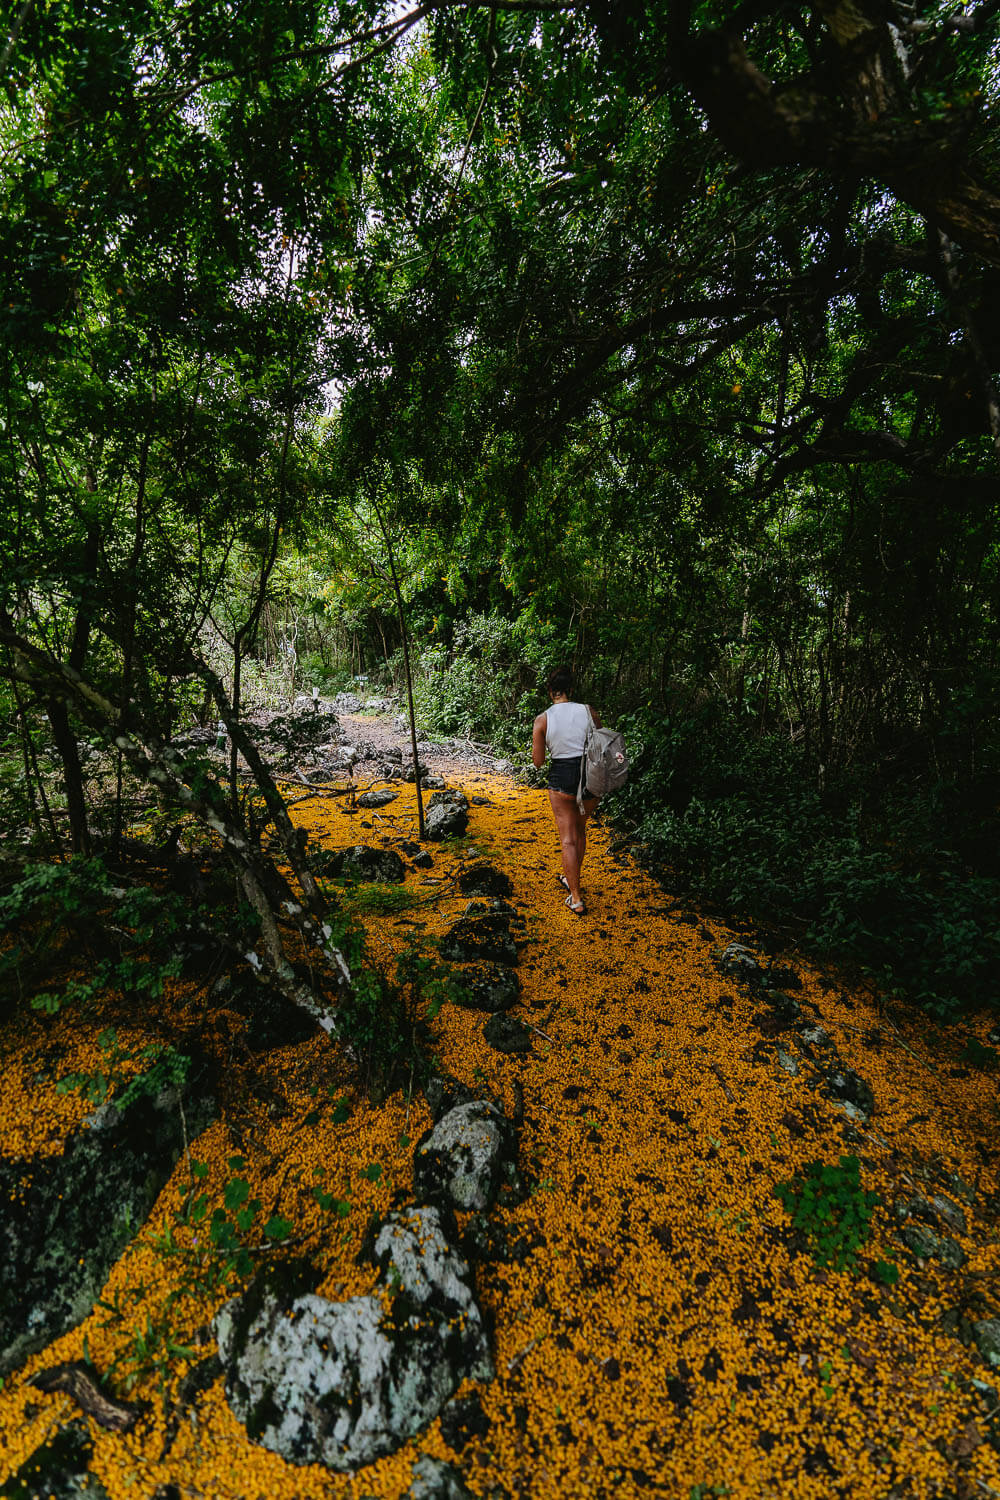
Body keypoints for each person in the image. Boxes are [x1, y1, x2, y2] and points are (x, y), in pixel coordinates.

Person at [532, 666, 601, 916]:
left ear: (550, 691)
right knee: (580, 832)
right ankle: (572, 879)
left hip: (562, 777)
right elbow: (600, 744)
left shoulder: (543, 719)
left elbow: (538, 761)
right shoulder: (588, 711)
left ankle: (576, 896)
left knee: (568, 838)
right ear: (571, 689)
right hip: (590, 777)